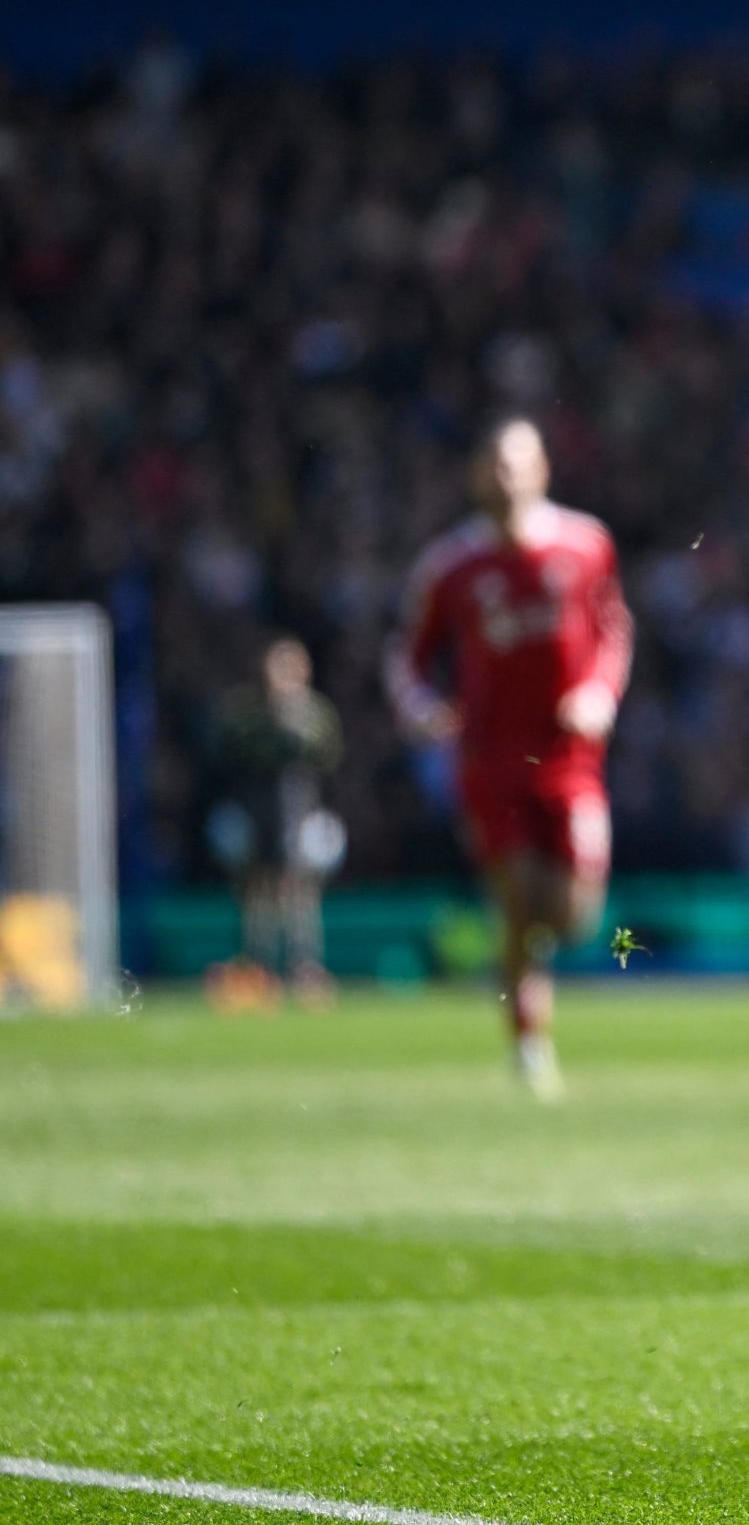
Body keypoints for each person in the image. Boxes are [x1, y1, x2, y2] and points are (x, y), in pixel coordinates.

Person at [385, 418, 632, 1099]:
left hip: (570, 757)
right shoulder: (450, 566)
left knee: (576, 911)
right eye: (493, 464)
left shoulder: (586, 545)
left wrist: (599, 692)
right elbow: (406, 656)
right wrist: (419, 709)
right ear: (475, 475)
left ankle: (514, 962)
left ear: (543, 470)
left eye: (517, 463)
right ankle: (528, 1039)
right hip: (490, 761)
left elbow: (614, 629)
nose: (506, 476)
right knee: (520, 898)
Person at [206, 635, 344, 1007]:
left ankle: (305, 966)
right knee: (257, 888)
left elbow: (327, 758)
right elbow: (228, 754)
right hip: (254, 810)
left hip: (301, 809)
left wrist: (292, 725)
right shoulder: (245, 713)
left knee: (300, 888)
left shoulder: (315, 714)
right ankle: (258, 967)